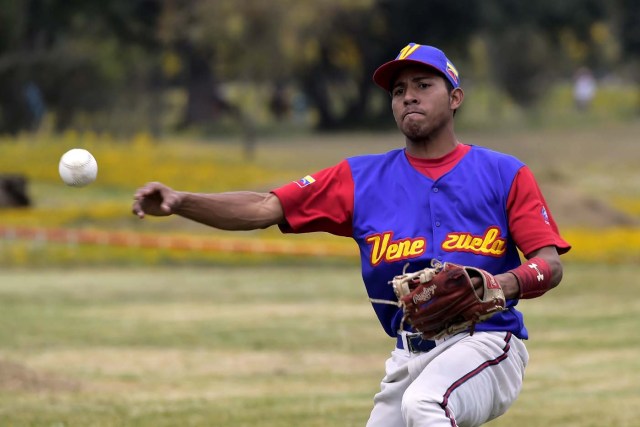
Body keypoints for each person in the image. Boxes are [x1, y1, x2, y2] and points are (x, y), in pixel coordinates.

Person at [132, 43, 571, 427]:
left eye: (423, 85)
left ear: (455, 98)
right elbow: (265, 208)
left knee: (427, 404)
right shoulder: (360, 178)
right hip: (410, 354)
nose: (408, 96)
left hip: (490, 343)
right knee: (418, 401)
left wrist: (499, 283)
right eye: (399, 91)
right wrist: (181, 200)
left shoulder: (503, 173)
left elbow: (548, 265)